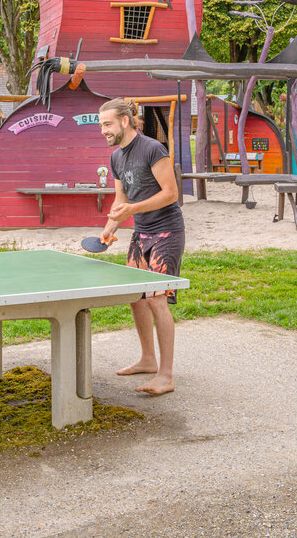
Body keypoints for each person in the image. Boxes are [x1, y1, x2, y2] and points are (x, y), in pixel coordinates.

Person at [97, 98, 184, 396]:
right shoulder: (116, 158)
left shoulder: (152, 149)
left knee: (157, 300)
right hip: (141, 232)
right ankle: (148, 360)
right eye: (101, 125)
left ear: (125, 121)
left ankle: (166, 375)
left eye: (107, 124)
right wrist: (109, 230)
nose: (104, 131)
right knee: (136, 297)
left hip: (167, 232)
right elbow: (121, 199)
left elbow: (171, 194)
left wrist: (132, 209)